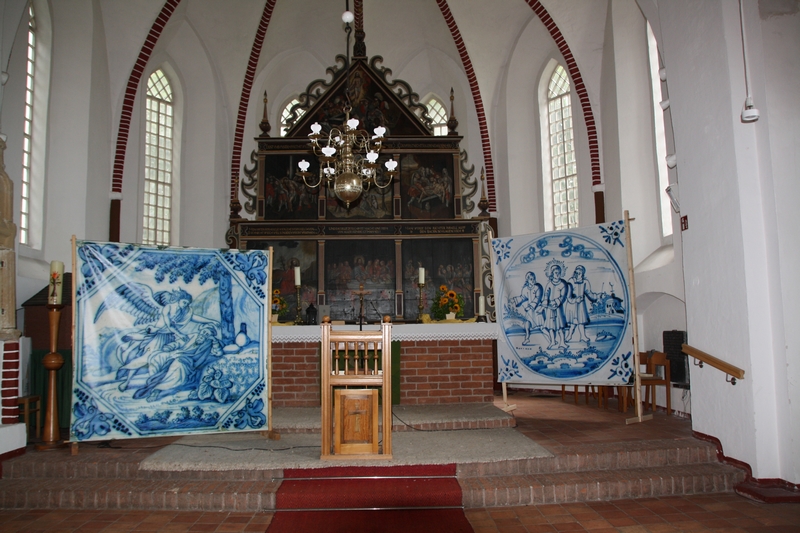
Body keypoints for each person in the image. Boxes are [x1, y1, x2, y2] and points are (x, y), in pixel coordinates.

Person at [511, 272, 545, 345]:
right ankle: (527, 338)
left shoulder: (538, 288)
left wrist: (529, 307)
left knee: (542, 326)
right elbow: (522, 297)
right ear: (527, 280)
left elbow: (537, 298)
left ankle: (551, 340)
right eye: (531, 279)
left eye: (534, 279)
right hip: (530, 311)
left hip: (537, 309)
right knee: (527, 324)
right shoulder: (525, 289)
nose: (533, 280)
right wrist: (515, 300)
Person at [565, 265, 597, 343]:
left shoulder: (585, 282)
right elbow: (568, 296)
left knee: (581, 321)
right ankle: (569, 336)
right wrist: (575, 300)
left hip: (581, 305)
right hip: (572, 305)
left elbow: (589, 293)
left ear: (582, 274)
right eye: (576, 272)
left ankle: (582, 336)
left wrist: (596, 297)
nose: (577, 274)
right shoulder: (571, 281)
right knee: (573, 322)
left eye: (579, 273)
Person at [543, 261, 569, 349]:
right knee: (551, 327)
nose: (557, 274)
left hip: (558, 308)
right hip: (550, 308)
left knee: (560, 327)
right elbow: (546, 294)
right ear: (552, 274)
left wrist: (556, 302)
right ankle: (552, 342)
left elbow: (563, 296)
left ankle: (562, 342)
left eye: (559, 273)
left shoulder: (562, 284)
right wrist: (546, 301)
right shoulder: (549, 284)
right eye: (555, 273)